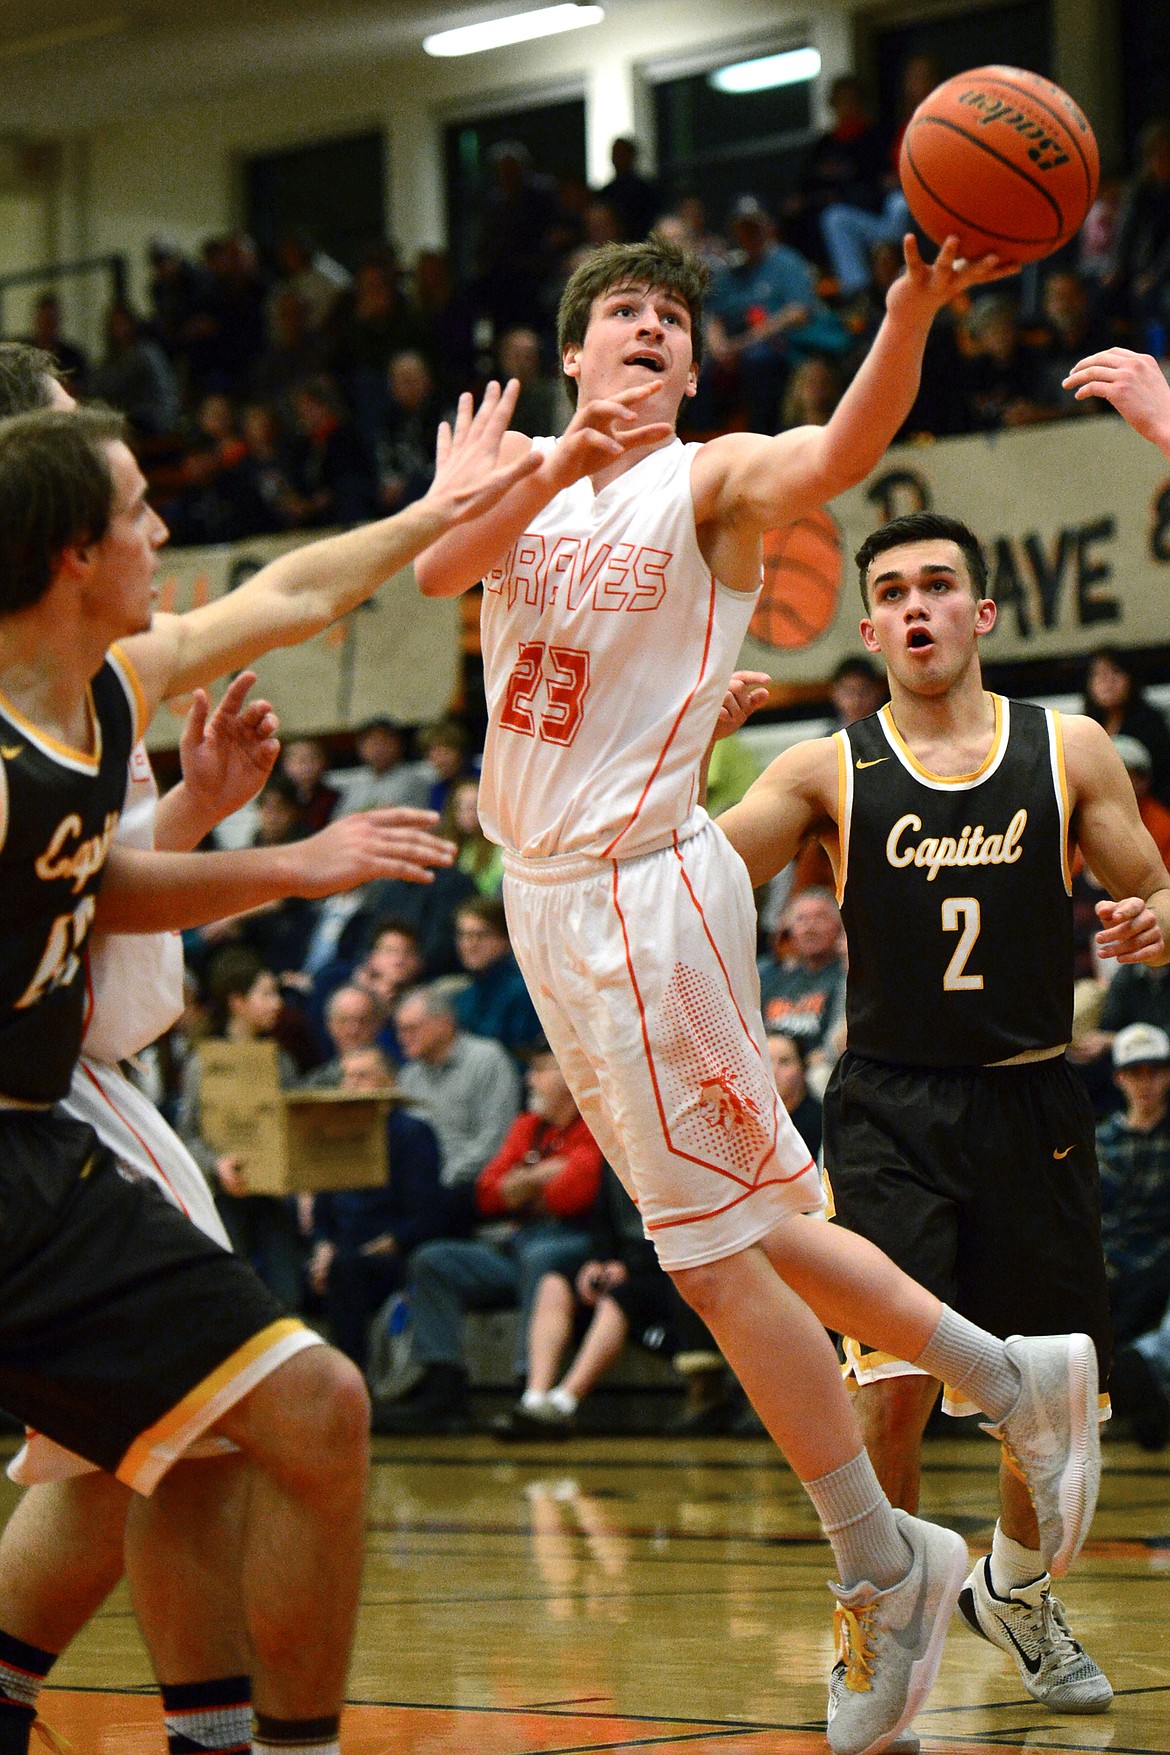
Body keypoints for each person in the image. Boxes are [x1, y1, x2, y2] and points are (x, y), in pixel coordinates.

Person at [412, 232, 1103, 1755]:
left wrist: (907, 311)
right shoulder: (523, 462)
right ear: (575, 350)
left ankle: (883, 1547)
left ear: (692, 363)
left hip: (633, 888)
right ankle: (1007, 1380)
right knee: (762, 1231)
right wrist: (523, 472)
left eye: (669, 318)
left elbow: (845, 444)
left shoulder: (707, 476)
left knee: (716, 1256)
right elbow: (436, 569)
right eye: (617, 316)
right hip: (550, 899)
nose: (645, 330)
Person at [0, 356, 542, 1753]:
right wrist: (288, 860)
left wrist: (434, 510)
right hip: (42, 1124)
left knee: (274, 1413)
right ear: (70, 544)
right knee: (192, 1440)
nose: (165, 532)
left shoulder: (105, 680)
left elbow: (291, 596)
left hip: (41, 1146)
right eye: (137, 508)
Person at [716, 504, 1170, 1717]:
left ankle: (1016, 1596)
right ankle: (878, 1612)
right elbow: (698, 874)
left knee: (1050, 1394)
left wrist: (1158, 919)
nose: (918, 606)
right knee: (889, 1389)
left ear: (982, 612)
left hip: (1035, 1102)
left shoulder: (1070, 750)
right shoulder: (824, 767)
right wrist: (670, 757)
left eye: (939, 585)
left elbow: (1153, 887)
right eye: (895, 592)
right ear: (869, 626)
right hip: (891, 1110)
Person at [378, 1045, 604, 1434]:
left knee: (542, 1256)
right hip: (517, 1243)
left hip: (580, 1242)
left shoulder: (598, 1123)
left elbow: (577, 1195)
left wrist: (527, 1184)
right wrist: (545, 1177)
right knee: (434, 1259)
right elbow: (487, 1192)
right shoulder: (527, 1125)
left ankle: (528, 1390)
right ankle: (443, 1388)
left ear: (571, 1077)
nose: (528, 1080)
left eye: (538, 1071)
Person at [491, 1161, 724, 1440]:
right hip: (622, 1264)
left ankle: (564, 1404)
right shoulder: (611, 1150)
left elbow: (686, 1229)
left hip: (666, 1270)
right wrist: (596, 1261)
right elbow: (602, 1220)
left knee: (616, 1299)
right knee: (555, 1282)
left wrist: (629, 1266)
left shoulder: (671, 1152)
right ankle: (534, 1399)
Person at [307, 1045, 448, 1375]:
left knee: (348, 1272)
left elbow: (426, 1212)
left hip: (391, 1248)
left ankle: (352, 1379)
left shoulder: (413, 1134)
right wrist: (323, 1245)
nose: (351, 1085)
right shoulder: (336, 1135)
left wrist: (389, 1242)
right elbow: (323, 1211)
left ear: (388, 1082)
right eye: (346, 1077)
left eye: (362, 1076)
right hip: (343, 1249)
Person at [1096, 1022, 1170, 1450]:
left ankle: (1135, 1369)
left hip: (1162, 1265)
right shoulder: (1100, 1142)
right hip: (1112, 1267)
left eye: (1154, 1072)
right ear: (1120, 1078)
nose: (1146, 1083)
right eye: (1135, 1073)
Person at [392, 982, 522, 1216]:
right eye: (399, 1030)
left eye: (411, 1028)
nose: (403, 1038)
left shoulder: (487, 1059)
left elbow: (498, 1138)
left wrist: (443, 1178)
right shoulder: (408, 1076)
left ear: (444, 1023)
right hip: (423, 1191)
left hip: (471, 1185)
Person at [451, 895, 543, 1061]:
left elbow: (523, 1055)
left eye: (480, 935)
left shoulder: (523, 991)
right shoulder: (462, 997)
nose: (470, 944)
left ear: (505, 939)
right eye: (463, 935)